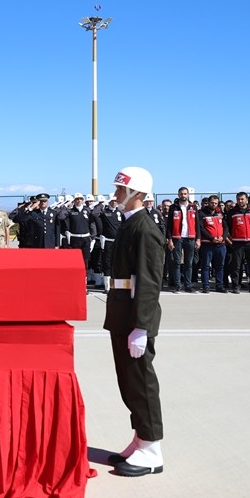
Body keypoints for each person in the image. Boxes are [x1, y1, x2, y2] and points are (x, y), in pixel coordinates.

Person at [103, 167, 166, 477]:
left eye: (121, 189)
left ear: (137, 193)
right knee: (128, 382)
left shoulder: (145, 229)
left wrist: (141, 326)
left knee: (141, 382)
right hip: (123, 313)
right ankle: (141, 438)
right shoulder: (130, 224)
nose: (116, 193)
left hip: (134, 317)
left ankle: (152, 449)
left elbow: (149, 282)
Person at [225, 192, 250, 294]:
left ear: (247, 199)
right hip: (238, 243)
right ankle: (236, 286)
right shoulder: (232, 212)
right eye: (238, 199)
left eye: (242, 199)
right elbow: (228, 226)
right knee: (236, 265)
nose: (240, 201)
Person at [166, 186, 197, 293]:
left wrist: (198, 239)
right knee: (177, 262)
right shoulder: (173, 207)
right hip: (177, 238)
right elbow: (169, 225)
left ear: (188, 195)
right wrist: (170, 239)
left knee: (189, 263)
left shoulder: (193, 207)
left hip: (190, 238)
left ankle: (188, 285)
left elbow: (197, 224)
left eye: (185, 194)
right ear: (178, 195)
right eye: (181, 194)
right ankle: (178, 285)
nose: (183, 196)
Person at [197, 195, 226, 293]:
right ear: (208, 202)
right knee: (205, 266)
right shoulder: (201, 213)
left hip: (220, 244)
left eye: (215, 203)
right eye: (212, 203)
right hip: (207, 244)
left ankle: (219, 285)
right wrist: (211, 238)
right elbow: (201, 228)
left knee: (220, 266)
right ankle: (206, 286)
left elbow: (226, 227)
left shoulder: (220, 213)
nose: (213, 204)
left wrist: (223, 237)